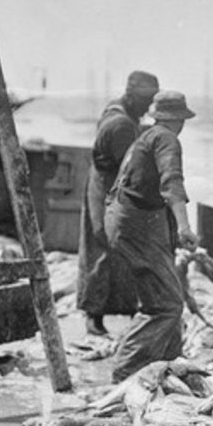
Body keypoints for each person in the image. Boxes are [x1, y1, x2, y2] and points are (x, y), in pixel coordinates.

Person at [104, 90, 198, 384]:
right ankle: (125, 373)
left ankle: (171, 364)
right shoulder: (168, 139)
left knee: (162, 294)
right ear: (179, 120)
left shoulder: (146, 136)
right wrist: (184, 228)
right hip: (137, 226)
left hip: (125, 221)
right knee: (166, 305)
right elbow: (172, 183)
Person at [77, 70, 160, 337]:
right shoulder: (121, 125)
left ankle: (124, 309)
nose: (149, 107)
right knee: (104, 249)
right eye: (146, 101)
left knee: (119, 250)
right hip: (106, 191)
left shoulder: (120, 111)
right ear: (132, 96)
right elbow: (132, 169)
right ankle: (93, 316)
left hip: (107, 184)